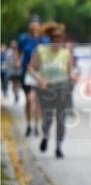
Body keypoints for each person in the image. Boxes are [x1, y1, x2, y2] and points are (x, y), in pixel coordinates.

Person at [29, 22, 75, 158]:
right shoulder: (41, 50)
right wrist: (39, 80)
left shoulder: (66, 53)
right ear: (50, 39)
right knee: (47, 118)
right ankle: (45, 135)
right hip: (46, 89)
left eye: (59, 39)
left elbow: (69, 72)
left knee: (61, 119)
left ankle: (59, 147)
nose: (57, 41)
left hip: (62, 88)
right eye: (55, 39)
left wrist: (73, 77)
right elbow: (30, 68)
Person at [18, 16, 47, 136]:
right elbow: (19, 50)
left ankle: (37, 125)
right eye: (32, 24)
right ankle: (29, 124)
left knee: (38, 101)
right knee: (29, 100)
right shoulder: (24, 38)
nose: (34, 26)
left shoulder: (45, 39)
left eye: (36, 24)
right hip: (28, 72)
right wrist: (18, 60)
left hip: (41, 73)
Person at [5, 39, 21, 104]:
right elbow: (7, 62)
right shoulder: (9, 52)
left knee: (18, 84)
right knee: (14, 84)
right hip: (12, 71)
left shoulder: (20, 51)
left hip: (19, 71)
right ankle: (15, 94)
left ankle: (17, 92)